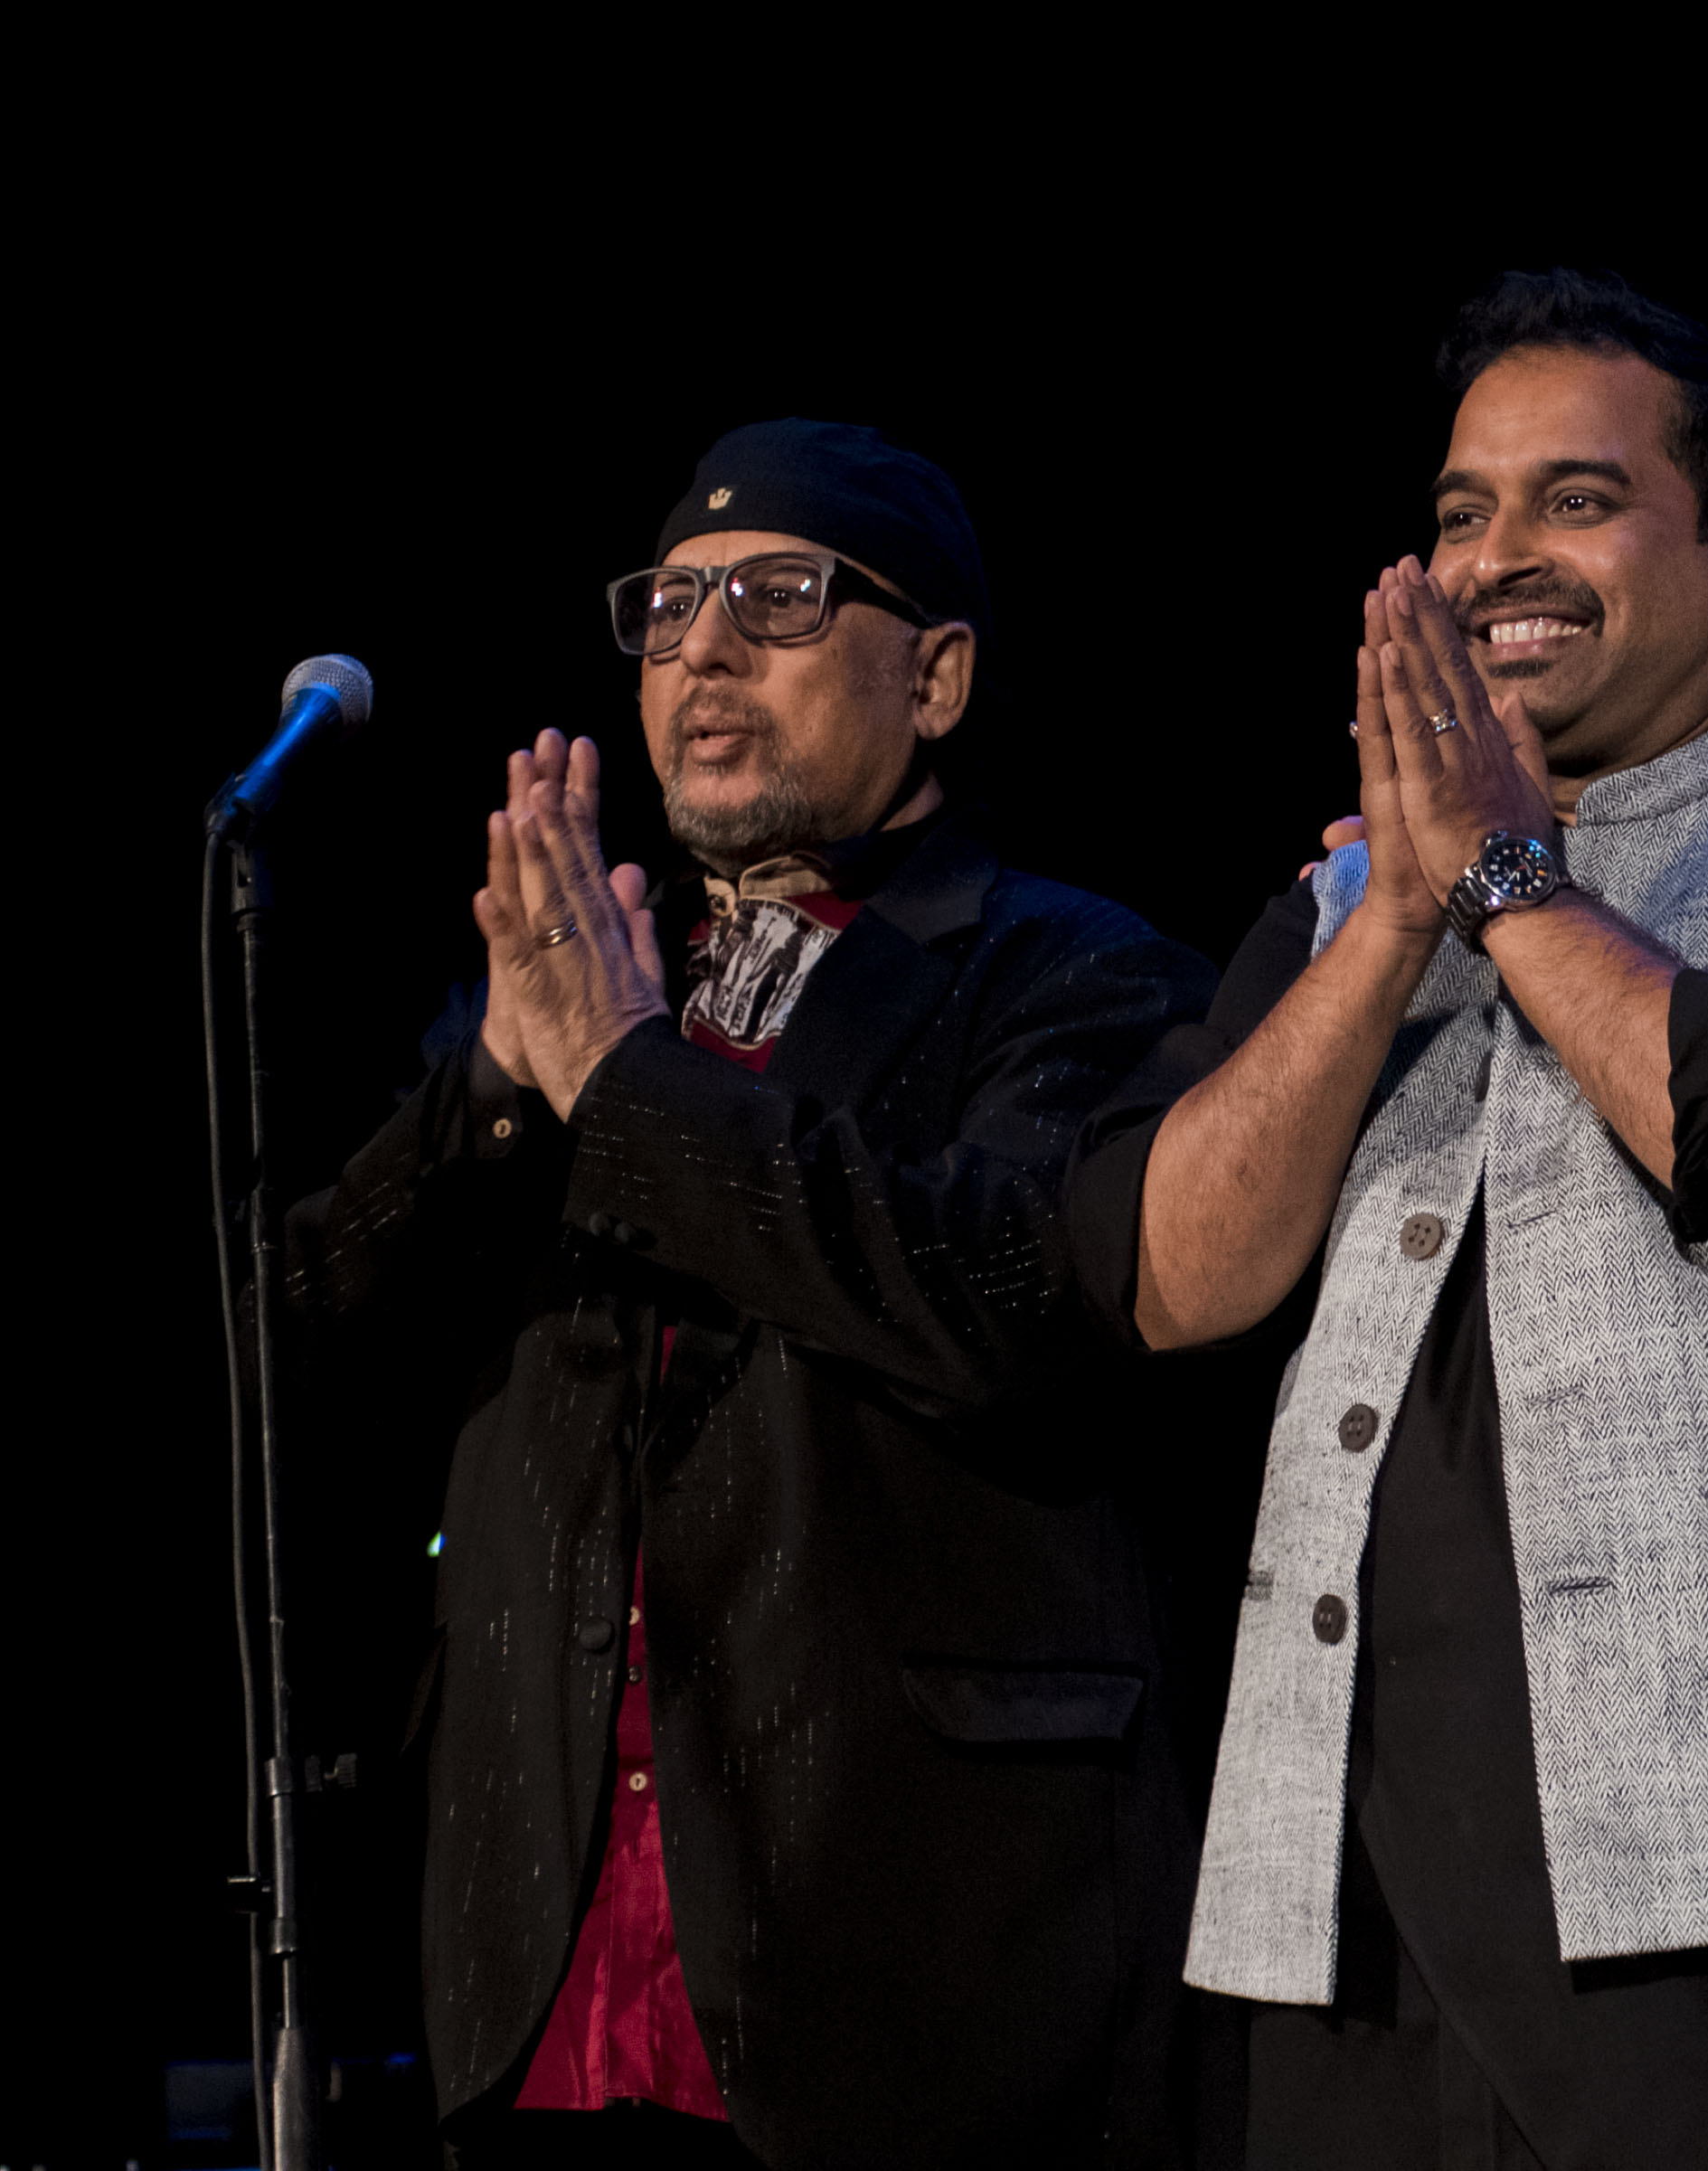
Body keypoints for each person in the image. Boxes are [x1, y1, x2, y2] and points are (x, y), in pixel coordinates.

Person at [1073, 272, 1708, 2169]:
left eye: (1576, 498)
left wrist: (1502, 878)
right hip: (1367, 1923)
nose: (1499, 559)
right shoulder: (1351, 914)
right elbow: (1169, 1276)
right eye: (1462, 512)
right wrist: (1399, 914)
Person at [278, 420, 1221, 2166]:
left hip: (919, 1978)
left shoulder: (1076, 977)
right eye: (669, 609)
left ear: (933, 676)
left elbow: (1006, 1303)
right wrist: (488, 1091)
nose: (702, 649)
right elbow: (299, 1377)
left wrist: (624, 1085)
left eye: (780, 601)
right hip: (544, 1985)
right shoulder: (573, 996)